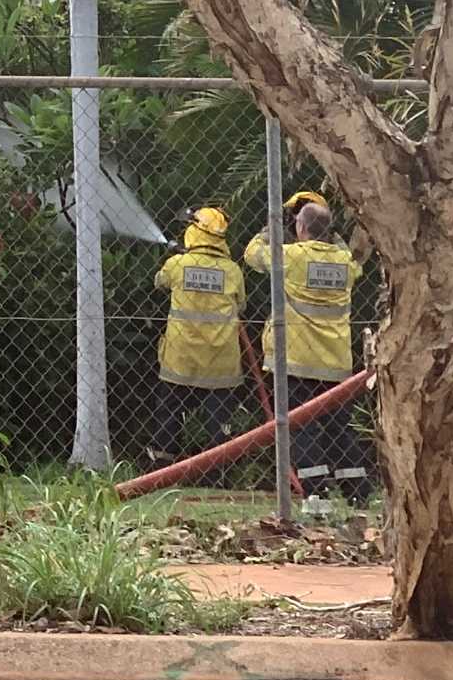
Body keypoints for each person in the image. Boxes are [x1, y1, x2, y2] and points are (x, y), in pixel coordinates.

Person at [246, 193, 368, 500]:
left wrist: (275, 223)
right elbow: (352, 260)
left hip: (296, 360)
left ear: (299, 228)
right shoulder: (344, 262)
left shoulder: (292, 256)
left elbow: (253, 253)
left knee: (302, 428)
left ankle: (316, 496)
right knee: (340, 429)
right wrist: (330, 230)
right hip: (336, 362)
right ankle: (358, 492)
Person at [150, 205, 248, 457]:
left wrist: (182, 260)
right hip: (221, 362)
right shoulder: (232, 271)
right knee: (219, 417)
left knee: (169, 411)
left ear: (195, 231)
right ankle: (217, 469)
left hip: (181, 358)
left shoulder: (178, 264)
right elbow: (242, 304)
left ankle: (162, 466)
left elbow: (159, 282)